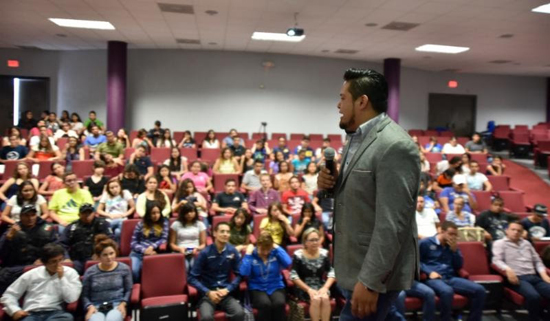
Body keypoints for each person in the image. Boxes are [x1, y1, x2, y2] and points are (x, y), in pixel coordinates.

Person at [317, 68, 420, 320]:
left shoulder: (395, 145)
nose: (338, 104)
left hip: (374, 274)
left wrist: (372, 281)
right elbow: (361, 196)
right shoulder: (357, 137)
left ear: (362, 102)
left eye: (343, 98)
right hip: (354, 263)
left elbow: (393, 222)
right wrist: (329, 184)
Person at [419, 221, 486, 321]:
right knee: (447, 291)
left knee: (479, 290)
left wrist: (455, 252)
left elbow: (459, 266)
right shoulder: (426, 243)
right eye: (451, 234)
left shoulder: (453, 245)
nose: (453, 237)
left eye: (455, 235)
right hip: (433, 278)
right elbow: (416, 261)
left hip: (450, 277)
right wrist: (429, 272)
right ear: (442, 231)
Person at [0, 243, 82, 321]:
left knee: (67, 318)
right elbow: (9, 294)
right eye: (54, 261)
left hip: (56, 313)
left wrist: (62, 278)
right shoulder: (31, 274)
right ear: (44, 263)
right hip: (31, 314)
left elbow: (71, 299)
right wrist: (14, 310)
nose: (58, 264)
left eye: (60, 260)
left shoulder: (70, 273)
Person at [492, 221, 550, 320]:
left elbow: (537, 261)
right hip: (518, 278)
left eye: (519, 230)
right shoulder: (499, 243)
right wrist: (508, 269)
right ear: (507, 231)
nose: (516, 232)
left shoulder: (526, 243)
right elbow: (496, 260)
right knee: (534, 296)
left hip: (533, 276)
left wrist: (544, 274)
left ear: (522, 232)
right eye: (513, 230)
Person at [188, 222, 244, 321]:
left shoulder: (232, 251)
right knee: (206, 317)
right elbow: (192, 278)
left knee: (239, 313)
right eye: (222, 231)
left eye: (228, 232)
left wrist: (228, 289)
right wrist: (208, 292)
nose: (225, 234)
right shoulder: (205, 253)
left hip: (225, 293)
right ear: (214, 233)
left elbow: (240, 274)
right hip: (208, 294)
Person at [0, 204, 58, 294]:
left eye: (33, 215)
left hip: (41, 265)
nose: (30, 218)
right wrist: (8, 239)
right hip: (17, 266)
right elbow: (2, 253)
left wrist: (43, 260)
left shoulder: (47, 228)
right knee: (5, 274)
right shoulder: (12, 230)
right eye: (26, 215)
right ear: (20, 216)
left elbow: (56, 248)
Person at [239, 232, 292, 321]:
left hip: (275, 285)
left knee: (279, 303)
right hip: (257, 287)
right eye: (263, 249)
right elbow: (244, 273)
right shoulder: (252, 255)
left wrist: (276, 246)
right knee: (265, 304)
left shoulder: (275, 252)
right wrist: (247, 254)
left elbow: (288, 262)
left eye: (268, 249)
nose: (265, 252)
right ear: (258, 245)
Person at [82, 237, 132, 321]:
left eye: (111, 253)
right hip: (95, 307)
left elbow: (129, 290)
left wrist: (123, 303)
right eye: (105, 255)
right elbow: (84, 294)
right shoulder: (90, 272)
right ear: (98, 257)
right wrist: (89, 306)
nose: (109, 257)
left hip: (117, 305)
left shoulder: (124, 268)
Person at [290, 228, 335, 321]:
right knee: (316, 299)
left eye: (317, 239)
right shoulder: (298, 255)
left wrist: (325, 287)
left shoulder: (324, 253)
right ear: (305, 242)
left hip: (320, 285)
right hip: (304, 287)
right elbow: (293, 276)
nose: (315, 242)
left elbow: (332, 272)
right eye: (312, 240)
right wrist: (308, 290)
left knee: (325, 298)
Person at [60, 203, 113, 274]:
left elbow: (110, 241)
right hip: (77, 259)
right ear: (79, 215)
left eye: (89, 213)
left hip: (98, 257)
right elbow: (62, 244)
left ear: (94, 213)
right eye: (84, 213)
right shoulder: (72, 227)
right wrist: (66, 258)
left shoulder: (103, 224)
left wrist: (100, 253)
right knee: (70, 271)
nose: (87, 215)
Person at [130, 202, 169, 281]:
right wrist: (144, 250)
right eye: (153, 213)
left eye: (158, 212)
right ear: (148, 214)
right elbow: (133, 243)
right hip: (137, 253)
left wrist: (152, 247)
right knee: (134, 271)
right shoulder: (140, 224)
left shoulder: (164, 223)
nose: (156, 215)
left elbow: (164, 239)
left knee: (146, 270)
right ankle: (137, 288)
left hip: (153, 252)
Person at [169, 203, 207, 270]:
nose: (189, 214)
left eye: (191, 212)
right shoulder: (176, 224)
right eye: (187, 212)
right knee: (185, 267)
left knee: (193, 266)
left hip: (195, 251)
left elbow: (203, 244)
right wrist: (179, 249)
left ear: (195, 212)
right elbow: (172, 244)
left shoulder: (200, 224)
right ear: (183, 213)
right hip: (180, 251)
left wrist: (197, 249)